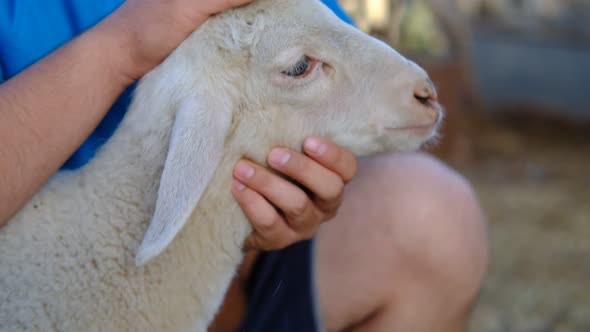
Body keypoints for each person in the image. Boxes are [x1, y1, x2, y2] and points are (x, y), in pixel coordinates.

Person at [0, 0, 488, 331]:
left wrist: (304, 191)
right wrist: (121, 46)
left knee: (432, 216)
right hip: (58, 253)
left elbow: (316, 52)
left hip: (214, 245)